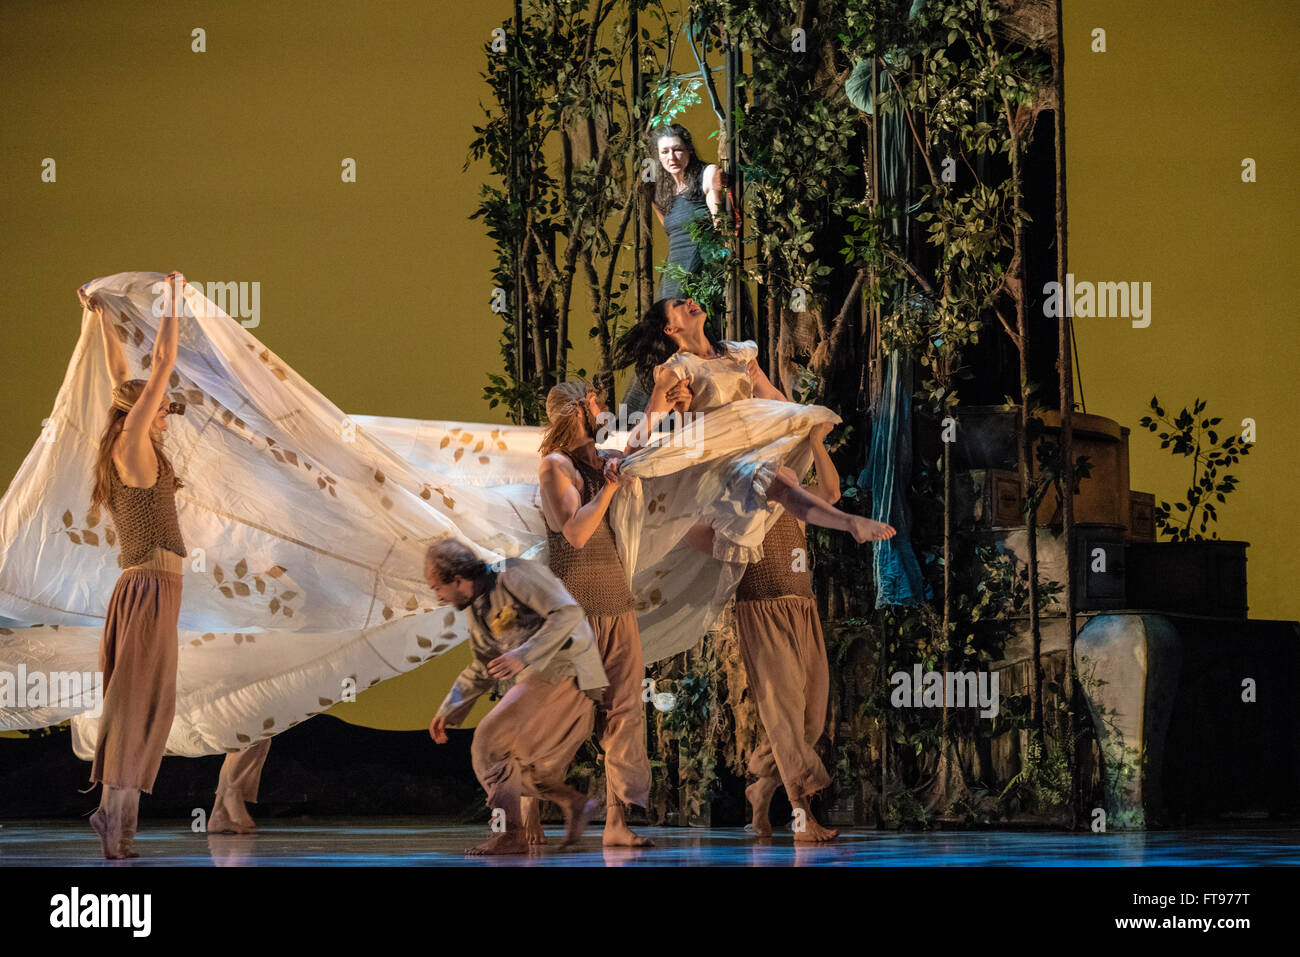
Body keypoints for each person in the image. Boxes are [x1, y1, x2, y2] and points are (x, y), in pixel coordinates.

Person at [610, 298, 896, 582]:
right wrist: (623, 457)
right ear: (670, 329)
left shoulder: (738, 354)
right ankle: (850, 523)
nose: (690, 302)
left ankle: (848, 523)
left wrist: (798, 421)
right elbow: (649, 422)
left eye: (689, 299)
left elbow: (772, 397)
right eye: (679, 305)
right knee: (779, 484)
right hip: (720, 460)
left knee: (783, 485)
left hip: (752, 447)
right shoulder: (678, 369)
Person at [685, 420, 842, 842]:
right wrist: (731, 540)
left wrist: (814, 441)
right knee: (784, 716)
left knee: (810, 719)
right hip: (762, 611)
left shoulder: (791, 494)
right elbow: (694, 534)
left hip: (801, 607)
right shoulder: (732, 500)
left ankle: (761, 790)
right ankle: (800, 816)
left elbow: (831, 495)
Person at [83, 271, 188, 859]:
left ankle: (118, 820)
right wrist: (173, 294)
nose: (166, 415)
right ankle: (111, 816)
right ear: (141, 414)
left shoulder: (126, 435)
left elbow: (121, 377)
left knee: (149, 703)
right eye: (159, 408)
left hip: (155, 587)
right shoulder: (133, 444)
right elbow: (164, 360)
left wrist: (101, 314)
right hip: (148, 585)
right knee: (137, 702)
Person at [531, 381, 659, 847]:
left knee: (624, 712)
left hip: (616, 603)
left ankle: (616, 825)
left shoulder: (600, 457)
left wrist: (662, 399)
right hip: (576, 611)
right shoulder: (555, 466)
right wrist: (606, 488)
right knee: (557, 718)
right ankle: (523, 817)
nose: (605, 407)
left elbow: (641, 445)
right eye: (597, 400)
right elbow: (576, 533)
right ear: (579, 411)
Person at [425, 539, 608, 855]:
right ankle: (576, 803)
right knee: (516, 767)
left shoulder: (513, 573)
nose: (437, 596)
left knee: (488, 742)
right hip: (538, 677)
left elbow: (567, 613)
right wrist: (449, 706)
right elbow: (483, 665)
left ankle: (511, 833)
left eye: (437, 587)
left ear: (456, 579)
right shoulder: (478, 608)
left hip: (563, 668)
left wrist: (524, 654)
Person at [648, 123, 725, 301]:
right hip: (674, 270)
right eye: (665, 152)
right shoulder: (661, 191)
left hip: (705, 270)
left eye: (677, 150)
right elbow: (672, 233)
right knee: (667, 321)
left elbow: (721, 227)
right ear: (658, 156)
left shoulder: (707, 174)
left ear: (689, 149)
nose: (672, 157)